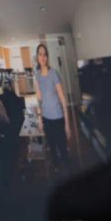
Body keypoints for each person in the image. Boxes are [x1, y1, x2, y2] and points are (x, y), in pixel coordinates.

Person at [33, 42, 75, 174]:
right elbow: (39, 98)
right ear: (37, 56)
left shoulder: (54, 73)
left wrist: (67, 124)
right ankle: (56, 165)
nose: (43, 57)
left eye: (45, 54)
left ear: (47, 57)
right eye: (40, 54)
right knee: (51, 146)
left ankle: (67, 167)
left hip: (58, 118)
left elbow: (63, 98)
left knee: (62, 147)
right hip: (46, 118)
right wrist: (39, 119)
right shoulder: (37, 75)